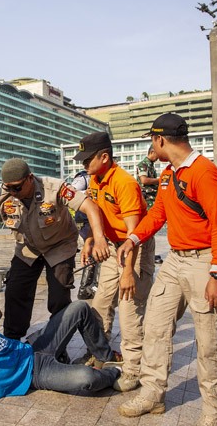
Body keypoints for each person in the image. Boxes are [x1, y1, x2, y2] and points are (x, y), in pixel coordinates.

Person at [114, 113, 217, 425]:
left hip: (204, 262)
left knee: (209, 342)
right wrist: (133, 238)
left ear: (160, 140)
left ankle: (213, 411)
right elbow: (158, 213)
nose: (151, 146)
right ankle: (152, 394)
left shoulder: (204, 173)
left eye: (151, 141)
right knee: (155, 328)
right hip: (175, 261)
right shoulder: (168, 174)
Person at [0, 158, 110, 341]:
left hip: (60, 246)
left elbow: (90, 207)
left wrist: (98, 239)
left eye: (17, 188)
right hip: (28, 249)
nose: (13, 192)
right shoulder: (3, 194)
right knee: (15, 292)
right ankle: (12, 341)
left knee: (59, 297)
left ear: (30, 178)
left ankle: (57, 344)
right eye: (8, 188)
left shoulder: (54, 188)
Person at [72, 131, 156, 392]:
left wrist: (128, 271)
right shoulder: (96, 180)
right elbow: (97, 215)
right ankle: (100, 353)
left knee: (130, 308)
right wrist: (89, 239)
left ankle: (132, 369)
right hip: (112, 246)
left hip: (135, 247)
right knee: (101, 301)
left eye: (87, 160)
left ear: (104, 157)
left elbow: (134, 234)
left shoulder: (124, 183)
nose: (83, 165)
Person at [70, 169, 99, 300]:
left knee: (94, 255)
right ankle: (84, 288)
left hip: (94, 222)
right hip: (85, 222)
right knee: (90, 254)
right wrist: (84, 193)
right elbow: (70, 191)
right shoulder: (83, 177)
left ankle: (90, 286)